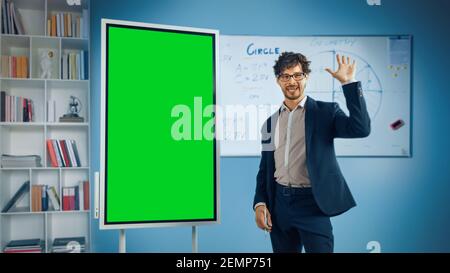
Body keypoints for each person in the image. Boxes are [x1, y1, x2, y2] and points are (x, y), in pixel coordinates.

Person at [253, 52, 371, 253]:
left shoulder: (326, 112)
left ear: (306, 77)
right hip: (279, 205)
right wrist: (259, 203)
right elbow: (264, 169)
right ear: (278, 81)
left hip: (313, 203)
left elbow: (360, 129)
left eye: (297, 75)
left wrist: (348, 83)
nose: (292, 81)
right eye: (286, 76)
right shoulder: (269, 123)